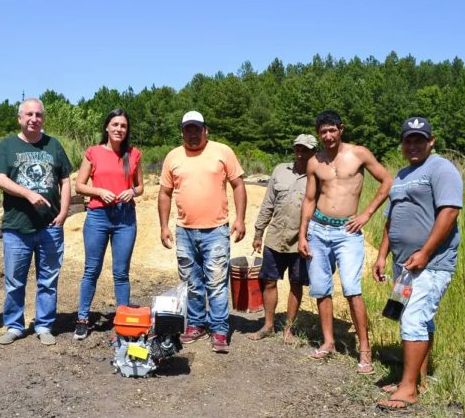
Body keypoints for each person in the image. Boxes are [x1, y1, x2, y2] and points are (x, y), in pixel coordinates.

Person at [373, 117, 462, 410]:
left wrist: (425, 252)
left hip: (432, 262)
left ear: (431, 141)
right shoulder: (401, 175)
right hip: (404, 265)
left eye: (419, 140)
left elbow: (449, 212)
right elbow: (390, 219)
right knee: (419, 318)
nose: (413, 145)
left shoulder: (441, 169)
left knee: (413, 320)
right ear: (402, 143)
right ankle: (416, 380)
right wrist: (382, 255)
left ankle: (408, 389)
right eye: (408, 140)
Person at [297, 110, 392, 374]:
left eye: (332, 130)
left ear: (341, 129)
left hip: (347, 232)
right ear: (318, 134)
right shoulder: (315, 162)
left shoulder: (358, 153)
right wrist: (303, 234)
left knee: (352, 288)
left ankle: (364, 349)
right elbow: (309, 199)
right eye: (323, 131)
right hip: (318, 229)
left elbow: (386, 181)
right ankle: (328, 341)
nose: (328, 136)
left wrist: (367, 213)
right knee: (320, 287)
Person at [158, 111, 247, 353]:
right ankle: (196, 323)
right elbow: (165, 193)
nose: (193, 133)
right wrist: (164, 226)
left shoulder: (222, 151)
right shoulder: (173, 156)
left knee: (217, 281)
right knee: (191, 282)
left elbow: (238, 184)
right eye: (188, 129)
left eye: (197, 128)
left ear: (205, 130)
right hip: (184, 230)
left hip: (216, 230)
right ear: (182, 131)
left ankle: (218, 329)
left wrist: (240, 219)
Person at [0, 97, 72, 346]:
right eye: (29, 114)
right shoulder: (8, 146)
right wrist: (28, 193)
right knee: (15, 280)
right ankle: (14, 325)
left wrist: (64, 212)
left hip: (50, 227)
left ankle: (44, 324)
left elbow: (65, 179)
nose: (34, 119)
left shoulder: (53, 145)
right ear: (20, 118)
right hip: (17, 227)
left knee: (48, 280)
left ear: (42, 119)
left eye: (38, 115)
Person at [73, 109, 144, 340]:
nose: (119, 129)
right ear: (107, 127)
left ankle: (122, 321)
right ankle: (82, 319)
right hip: (98, 217)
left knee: (121, 273)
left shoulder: (133, 154)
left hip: (125, 218)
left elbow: (140, 187)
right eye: (115, 124)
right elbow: (79, 186)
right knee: (91, 270)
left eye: (123, 126)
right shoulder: (93, 152)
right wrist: (99, 191)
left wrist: (131, 191)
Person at [249, 134, 318, 343]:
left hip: (301, 240)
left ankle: (289, 330)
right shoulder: (280, 170)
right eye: (298, 148)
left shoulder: (318, 176)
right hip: (275, 237)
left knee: (296, 283)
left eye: (305, 150)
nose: (300, 153)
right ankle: (268, 325)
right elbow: (268, 203)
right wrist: (258, 232)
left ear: (314, 152)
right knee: (269, 280)